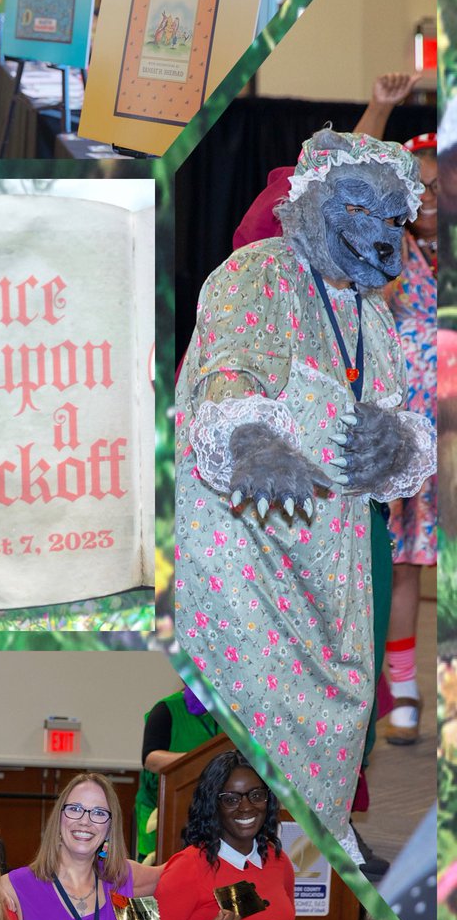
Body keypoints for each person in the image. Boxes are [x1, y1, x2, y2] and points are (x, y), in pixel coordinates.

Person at [175, 128, 435, 864]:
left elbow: (391, 419)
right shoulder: (261, 274)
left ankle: (316, 852)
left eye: (394, 220)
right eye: (360, 212)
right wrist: (253, 440)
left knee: (339, 705)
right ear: (312, 204)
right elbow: (227, 369)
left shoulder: (368, 314)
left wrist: (396, 444)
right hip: (250, 551)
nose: (381, 237)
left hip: (334, 560)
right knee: (258, 704)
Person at [139, 751, 295, 920]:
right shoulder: (186, 867)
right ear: (213, 804)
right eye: (231, 799)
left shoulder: (279, 862)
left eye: (256, 795)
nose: (246, 807)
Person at [2, 773, 161, 920]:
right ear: (59, 818)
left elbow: (186, 871)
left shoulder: (124, 876)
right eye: (75, 809)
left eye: (98, 812)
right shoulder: (15, 886)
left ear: (110, 827)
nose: (85, 821)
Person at [383, 132, 438, 744]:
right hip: (398, 433)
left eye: (438, 182)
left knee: (415, 560)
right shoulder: (389, 244)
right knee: (394, 562)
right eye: (418, 183)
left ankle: (407, 686)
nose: (429, 194)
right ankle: (398, 687)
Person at [136, 685, 220, 860]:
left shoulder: (230, 713)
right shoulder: (166, 710)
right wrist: (203, 761)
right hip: (166, 813)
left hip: (215, 815)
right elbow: (150, 759)